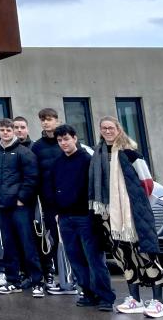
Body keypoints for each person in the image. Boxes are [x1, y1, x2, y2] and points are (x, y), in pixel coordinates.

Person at [92, 117, 163, 318]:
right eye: (104, 128)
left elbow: (147, 182)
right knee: (124, 257)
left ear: (119, 129)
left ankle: (159, 302)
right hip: (109, 216)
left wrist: (132, 201)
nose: (107, 131)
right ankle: (135, 299)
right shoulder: (98, 154)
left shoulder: (130, 153)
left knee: (146, 254)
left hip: (133, 213)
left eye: (111, 128)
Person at [49, 125, 115, 312]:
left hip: (85, 218)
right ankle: (88, 293)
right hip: (65, 219)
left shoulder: (88, 160)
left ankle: (105, 297)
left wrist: (95, 214)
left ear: (75, 139)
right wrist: (56, 211)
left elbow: (96, 186)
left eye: (66, 139)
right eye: (60, 140)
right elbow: (51, 188)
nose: (63, 143)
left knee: (94, 259)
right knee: (75, 258)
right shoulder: (57, 163)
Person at [0, 119, 43, 297]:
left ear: (14, 132)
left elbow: (32, 178)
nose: (5, 133)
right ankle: (13, 280)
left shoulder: (24, 152)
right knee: (8, 245)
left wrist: (22, 198)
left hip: (20, 207)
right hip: (2, 206)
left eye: (8, 130)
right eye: (2, 130)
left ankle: (37, 282)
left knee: (28, 244)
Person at [31, 108, 77, 295]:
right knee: (55, 241)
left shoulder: (66, 143)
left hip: (69, 201)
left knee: (72, 241)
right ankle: (63, 280)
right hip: (48, 202)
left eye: (49, 119)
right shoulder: (37, 147)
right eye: (42, 120)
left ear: (56, 121)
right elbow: (36, 175)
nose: (45, 123)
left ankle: (77, 281)